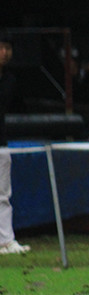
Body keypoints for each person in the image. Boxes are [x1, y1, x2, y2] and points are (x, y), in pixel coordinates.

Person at [0, 29, 30, 255]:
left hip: (1, 144)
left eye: (8, 48)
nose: (4, 53)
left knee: (3, 194)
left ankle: (6, 241)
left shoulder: (11, 81)